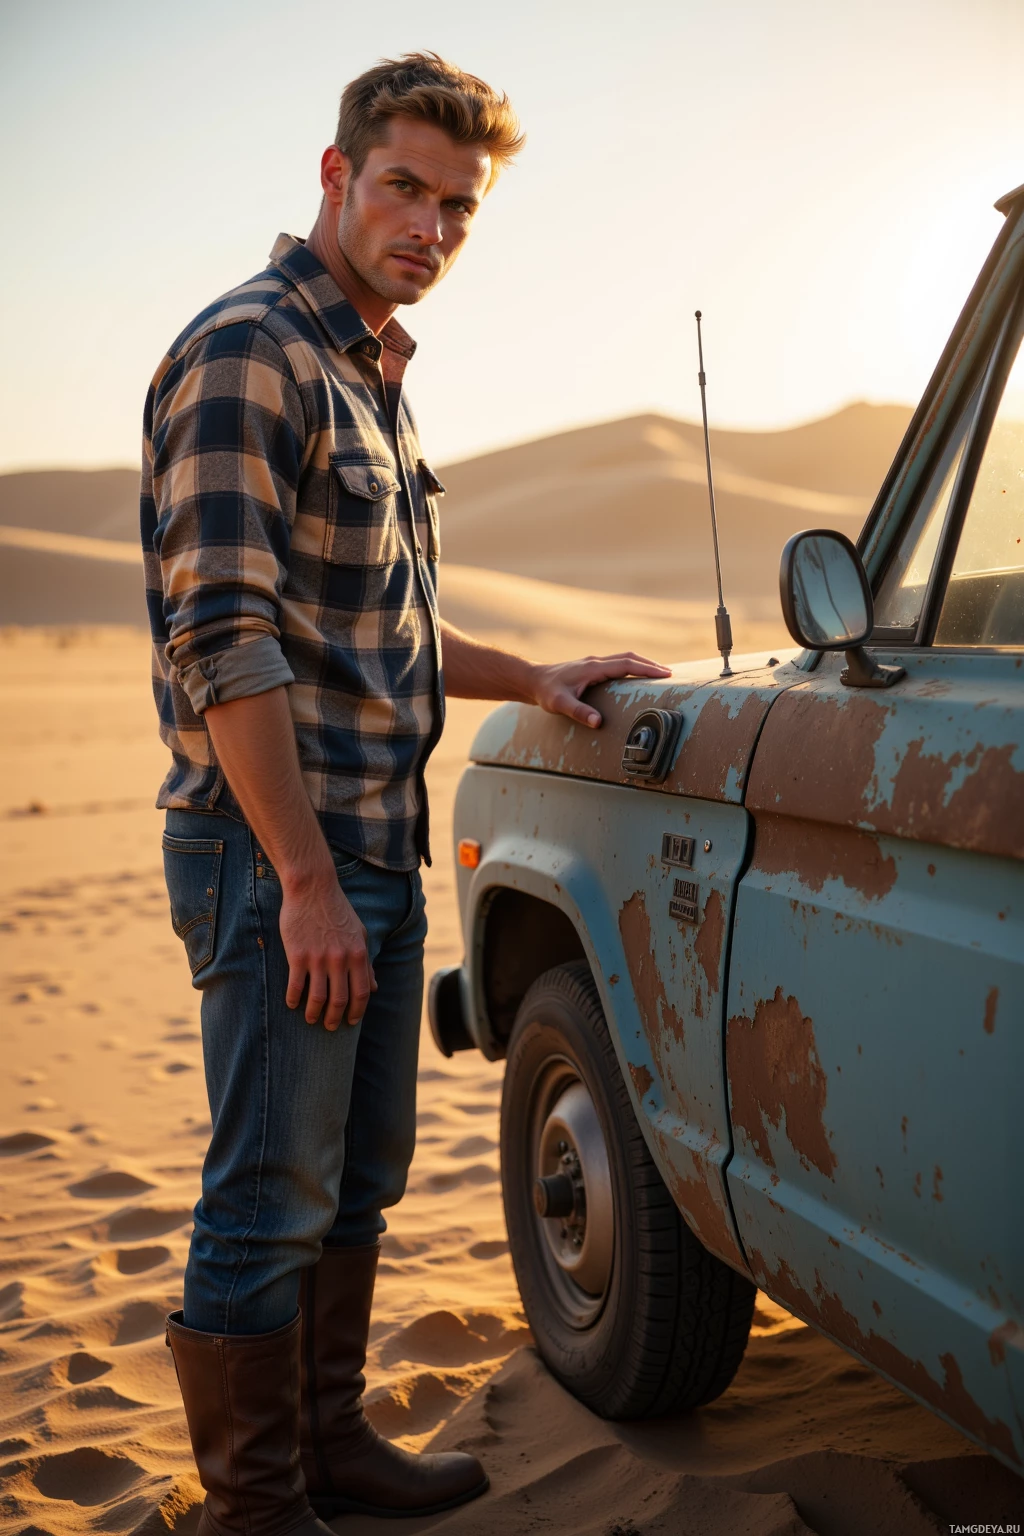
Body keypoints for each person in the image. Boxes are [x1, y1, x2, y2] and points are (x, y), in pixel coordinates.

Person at [142, 52, 669, 1534]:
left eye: (459, 205)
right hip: (274, 859)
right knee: (268, 1193)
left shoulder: (368, 371)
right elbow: (225, 641)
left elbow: (373, 622)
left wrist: (536, 674)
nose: (430, 225)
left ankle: (325, 1446)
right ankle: (256, 1507)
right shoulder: (253, 353)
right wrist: (302, 880)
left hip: (367, 849)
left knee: (357, 1183)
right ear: (334, 175)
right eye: (403, 190)